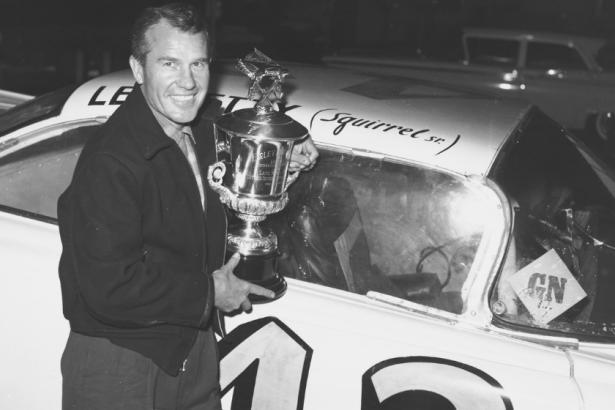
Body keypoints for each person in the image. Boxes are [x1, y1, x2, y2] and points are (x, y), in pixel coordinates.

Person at [57, 3, 318, 409]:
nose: (188, 81)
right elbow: (108, 289)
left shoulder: (199, 130)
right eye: (169, 63)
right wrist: (210, 293)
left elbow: (244, 140)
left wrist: (288, 144)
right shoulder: (112, 162)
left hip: (191, 350)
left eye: (198, 64)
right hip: (123, 359)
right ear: (138, 69)